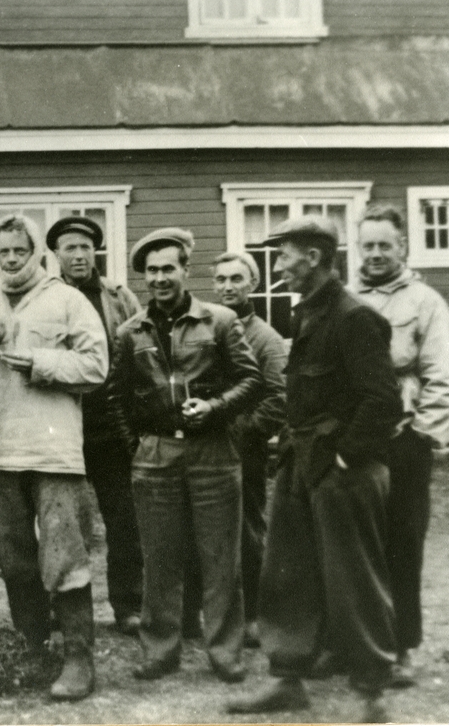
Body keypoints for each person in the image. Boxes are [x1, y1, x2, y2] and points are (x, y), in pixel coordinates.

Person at [227, 216, 402, 723]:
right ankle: (288, 679)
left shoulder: (354, 318)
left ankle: (373, 692)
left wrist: (344, 457)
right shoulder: (306, 314)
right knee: (287, 574)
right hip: (301, 463)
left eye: (284, 256)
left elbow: (381, 402)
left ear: (314, 259)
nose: (278, 264)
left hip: (342, 470)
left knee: (357, 580)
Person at [108, 228, 262, 684]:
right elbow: (117, 397)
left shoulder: (219, 321)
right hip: (155, 455)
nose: (159, 278)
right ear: (144, 277)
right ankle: (160, 650)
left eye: (168, 268)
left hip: (213, 451)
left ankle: (224, 652)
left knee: (221, 557)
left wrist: (214, 408)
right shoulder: (129, 332)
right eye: (151, 271)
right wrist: (136, 445)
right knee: (160, 558)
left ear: (185, 270)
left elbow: (252, 381)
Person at [0, 215, 108, 701]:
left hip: (53, 451)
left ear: (37, 254)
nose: (10, 260)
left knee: (63, 556)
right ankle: (33, 647)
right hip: (1, 449)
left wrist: (41, 363)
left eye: (18, 251)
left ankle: (77, 657)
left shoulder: (66, 300)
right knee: (13, 560)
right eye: (2, 252)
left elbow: (95, 366)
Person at [354, 205, 449, 686]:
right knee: (354, 547)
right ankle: (355, 645)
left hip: (402, 442)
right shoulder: (345, 299)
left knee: (401, 546)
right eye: (369, 245)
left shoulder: (424, 302)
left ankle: (401, 649)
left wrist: (418, 436)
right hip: (354, 444)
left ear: (403, 248)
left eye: (386, 245)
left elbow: (445, 378)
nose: (376, 254)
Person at [45, 216, 146, 635]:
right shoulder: (45, 298)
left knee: (125, 521)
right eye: (70, 248)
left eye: (86, 247)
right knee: (62, 524)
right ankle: (57, 607)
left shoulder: (119, 298)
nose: (80, 255)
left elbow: (142, 349)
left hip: (112, 431)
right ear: (56, 255)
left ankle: (128, 606)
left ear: (96, 252)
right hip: (62, 429)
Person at [183, 252, 288, 644]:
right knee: (197, 530)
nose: (228, 286)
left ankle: (253, 617)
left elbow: (277, 398)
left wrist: (239, 433)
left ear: (253, 285)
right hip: (201, 448)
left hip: (244, 450)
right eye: (222, 279)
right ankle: (192, 615)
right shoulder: (204, 330)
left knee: (247, 531)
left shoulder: (267, 338)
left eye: (237, 279)